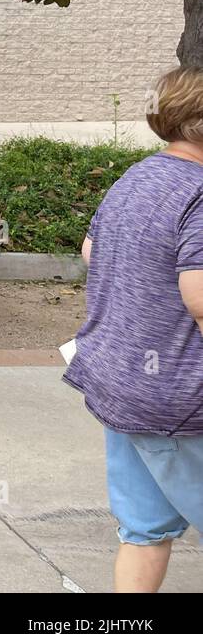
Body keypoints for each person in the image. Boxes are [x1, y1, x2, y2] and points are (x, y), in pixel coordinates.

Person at [63, 65, 203, 592]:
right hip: (183, 398)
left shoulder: (137, 177)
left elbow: (91, 252)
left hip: (118, 382)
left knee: (144, 531)